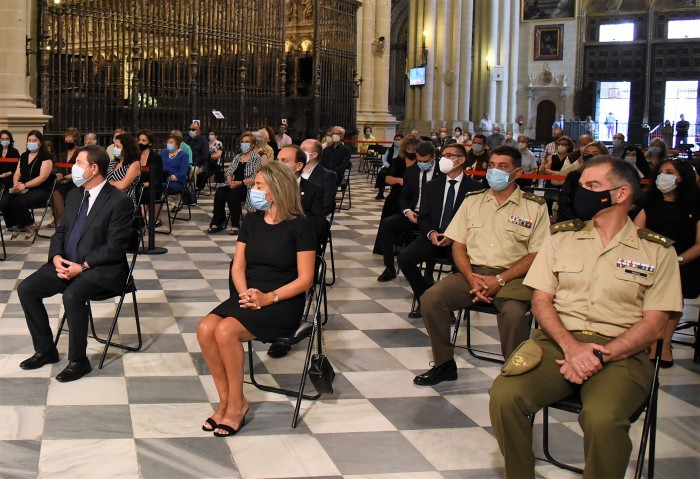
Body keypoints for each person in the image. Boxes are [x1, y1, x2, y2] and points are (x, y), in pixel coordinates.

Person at [489, 156, 683, 479]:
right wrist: (571, 348)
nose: (582, 194)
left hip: (622, 353)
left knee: (602, 418)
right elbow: (540, 301)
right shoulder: (561, 237)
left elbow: (655, 325)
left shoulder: (657, 253)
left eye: (593, 187)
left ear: (621, 195)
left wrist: (599, 354)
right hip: (557, 342)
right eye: (582, 186)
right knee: (504, 396)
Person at [197, 161, 316, 436]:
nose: (254, 189)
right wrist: (245, 295)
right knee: (205, 328)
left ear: (275, 190)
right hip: (249, 293)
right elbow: (238, 267)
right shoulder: (251, 222)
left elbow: (305, 280)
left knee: (225, 330)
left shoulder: (300, 226)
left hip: (282, 299)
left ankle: (237, 405)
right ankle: (225, 401)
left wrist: (268, 298)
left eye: (259, 185)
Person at [414, 145, 550, 386]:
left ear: (517, 172)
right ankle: (444, 363)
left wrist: (499, 280)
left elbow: (537, 254)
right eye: (491, 166)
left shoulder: (535, 206)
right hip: (472, 274)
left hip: (513, 278)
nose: (494, 171)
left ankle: (512, 376)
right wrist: (471, 277)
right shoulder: (473, 200)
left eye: (502, 166)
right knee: (431, 299)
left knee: (514, 315)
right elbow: (458, 245)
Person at [17, 144, 135, 382]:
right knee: (26, 289)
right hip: (68, 263)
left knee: (71, 295)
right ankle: (46, 350)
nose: (74, 168)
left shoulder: (119, 201)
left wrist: (83, 266)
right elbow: (61, 232)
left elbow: (115, 247)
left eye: (79, 163)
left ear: (94, 168)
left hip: (102, 269)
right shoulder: (74, 195)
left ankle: (78, 361)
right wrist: (56, 257)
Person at [397, 143, 483, 317]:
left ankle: (447, 305)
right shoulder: (433, 186)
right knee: (404, 258)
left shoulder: (475, 188)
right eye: (443, 155)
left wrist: (454, 237)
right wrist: (431, 233)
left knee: (463, 270)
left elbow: (477, 222)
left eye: (449, 155)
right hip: (434, 236)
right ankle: (425, 300)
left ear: (461, 160)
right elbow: (424, 216)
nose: (444, 159)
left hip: (459, 242)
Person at [633, 159, 699, 367]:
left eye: (669, 172)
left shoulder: (695, 205)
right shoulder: (648, 202)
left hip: (683, 260)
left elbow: (699, 244)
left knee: (673, 292)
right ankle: (647, 340)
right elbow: (636, 232)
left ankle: (665, 344)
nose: (664, 176)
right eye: (661, 172)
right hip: (649, 259)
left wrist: (676, 260)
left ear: (681, 177)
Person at [375, 141, 442, 282]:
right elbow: (404, 197)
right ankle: (389, 268)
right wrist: (407, 211)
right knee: (387, 224)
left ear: (434, 157)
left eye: (426, 161)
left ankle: (428, 273)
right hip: (412, 214)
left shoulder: (442, 173)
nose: (422, 163)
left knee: (434, 232)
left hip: (431, 217)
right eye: (419, 160)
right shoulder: (412, 171)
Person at [0, 130, 54, 240]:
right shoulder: (24, 155)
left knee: (17, 201)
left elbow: (42, 178)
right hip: (22, 187)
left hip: (40, 189)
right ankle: (18, 225)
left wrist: (24, 185)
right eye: (29, 140)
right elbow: (17, 173)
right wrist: (16, 183)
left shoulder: (45, 157)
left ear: (40, 142)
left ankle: (30, 224)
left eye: (34, 140)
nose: (31, 142)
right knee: (4, 201)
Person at [208, 132, 262, 235]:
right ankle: (218, 221)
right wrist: (229, 181)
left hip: (247, 186)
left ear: (253, 145)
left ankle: (235, 224)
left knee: (233, 195)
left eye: (247, 142)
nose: (244, 144)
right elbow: (229, 171)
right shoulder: (238, 157)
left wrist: (241, 183)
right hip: (233, 184)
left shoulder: (256, 158)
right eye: (242, 142)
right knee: (220, 192)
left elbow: (256, 177)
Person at [556, 141, 609, 223]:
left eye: (595, 154)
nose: (590, 156)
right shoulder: (574, 176)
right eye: (586, 153)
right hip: (574, 223)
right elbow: (564, 203)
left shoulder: (610, 178)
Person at [378, 134, 420, 220]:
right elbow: (387, 179)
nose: (411, 152)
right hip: (397, 195)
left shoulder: (420, 162)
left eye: (414, 149)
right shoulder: (398, 161)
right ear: (404, 148)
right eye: (409, 149)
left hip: (414, 197)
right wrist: (399, 180)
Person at [51, 128, 81, 227]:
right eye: (66, 141)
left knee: (60, 190)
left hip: (76, 180)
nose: (68, 143)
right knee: (53, 187)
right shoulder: (63, 153)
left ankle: (61, 218)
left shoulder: (80, 152)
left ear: (75, 140)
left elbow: (83, 169)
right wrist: (57, 174)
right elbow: (56, 166)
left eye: (70, 141)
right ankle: (57, 217)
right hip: (62, 179)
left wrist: (70, 176)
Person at [158, 130, 190, 226]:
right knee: (149, 187)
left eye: (171, 142)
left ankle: (157, 218)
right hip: (162, 179)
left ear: (177, 144)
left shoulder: (183, 155)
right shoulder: (163, 152)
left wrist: (169, 177)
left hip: (176, 182)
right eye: (168, 142)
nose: (168, 144)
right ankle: (144, 216)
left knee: (157, 189)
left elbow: (183, 174)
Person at [300, 139, 336, 216]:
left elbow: (327, 205)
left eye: (303, 150)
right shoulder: (294, 171)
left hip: (310, 217)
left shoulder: (327, 176)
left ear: (314, 155)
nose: (299, 152)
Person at [136, 130, 163, 221]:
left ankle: (143, 220)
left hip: (151, 187)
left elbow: (159, 178)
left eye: (144, 140)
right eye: (139, 140)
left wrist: (145, 184)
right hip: (137, 186)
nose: (140, 142)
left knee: (142, 195)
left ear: (150, 143)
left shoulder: (156, 157)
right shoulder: (135, 156)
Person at [107, 133, 141, 205]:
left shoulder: (134, 164)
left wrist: (105, 182)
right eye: (114, 146)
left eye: (118, 146)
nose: (115, 148)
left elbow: (122, 185)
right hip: (108, 199)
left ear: (126, 148)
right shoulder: (113, 162)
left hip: (124, 201)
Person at [375, 134, 402, 200]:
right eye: (396, 140)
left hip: (398, 167)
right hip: (388, 166)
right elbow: (384, 159)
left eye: (399, 140)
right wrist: (389, 166)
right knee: (381, 173)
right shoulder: (389, 149)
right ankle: (380, 192)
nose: (397, 141)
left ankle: (395, 193)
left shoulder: (403, 151)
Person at [184, 122, 210, 189]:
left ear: (198, 131)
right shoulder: (187, 140)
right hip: (187, 163)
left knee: (190, 170)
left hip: (199, 165)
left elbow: (204, 156)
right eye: (189, 129)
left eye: (193, 129)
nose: (190, 131)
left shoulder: (203, 141)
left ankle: (191, 191)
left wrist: (193, 162)